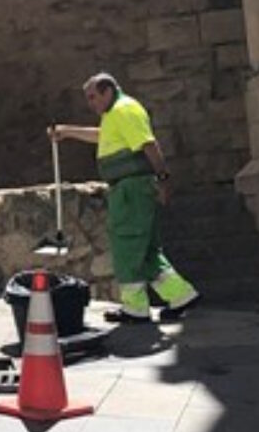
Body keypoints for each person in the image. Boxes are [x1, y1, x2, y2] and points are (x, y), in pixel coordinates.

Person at [50, 72, 200, 323]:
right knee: (147, 250)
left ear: (108, 91)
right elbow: (103, 136)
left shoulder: (124, 110)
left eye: (93, 97)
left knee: (126, 245)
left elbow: (149, 144)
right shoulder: (115, 114)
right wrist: (67, 132)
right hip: (131, 188)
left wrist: (163, 178)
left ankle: (135, 308)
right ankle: (181, 295)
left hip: (131, 189)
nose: (91, 103)